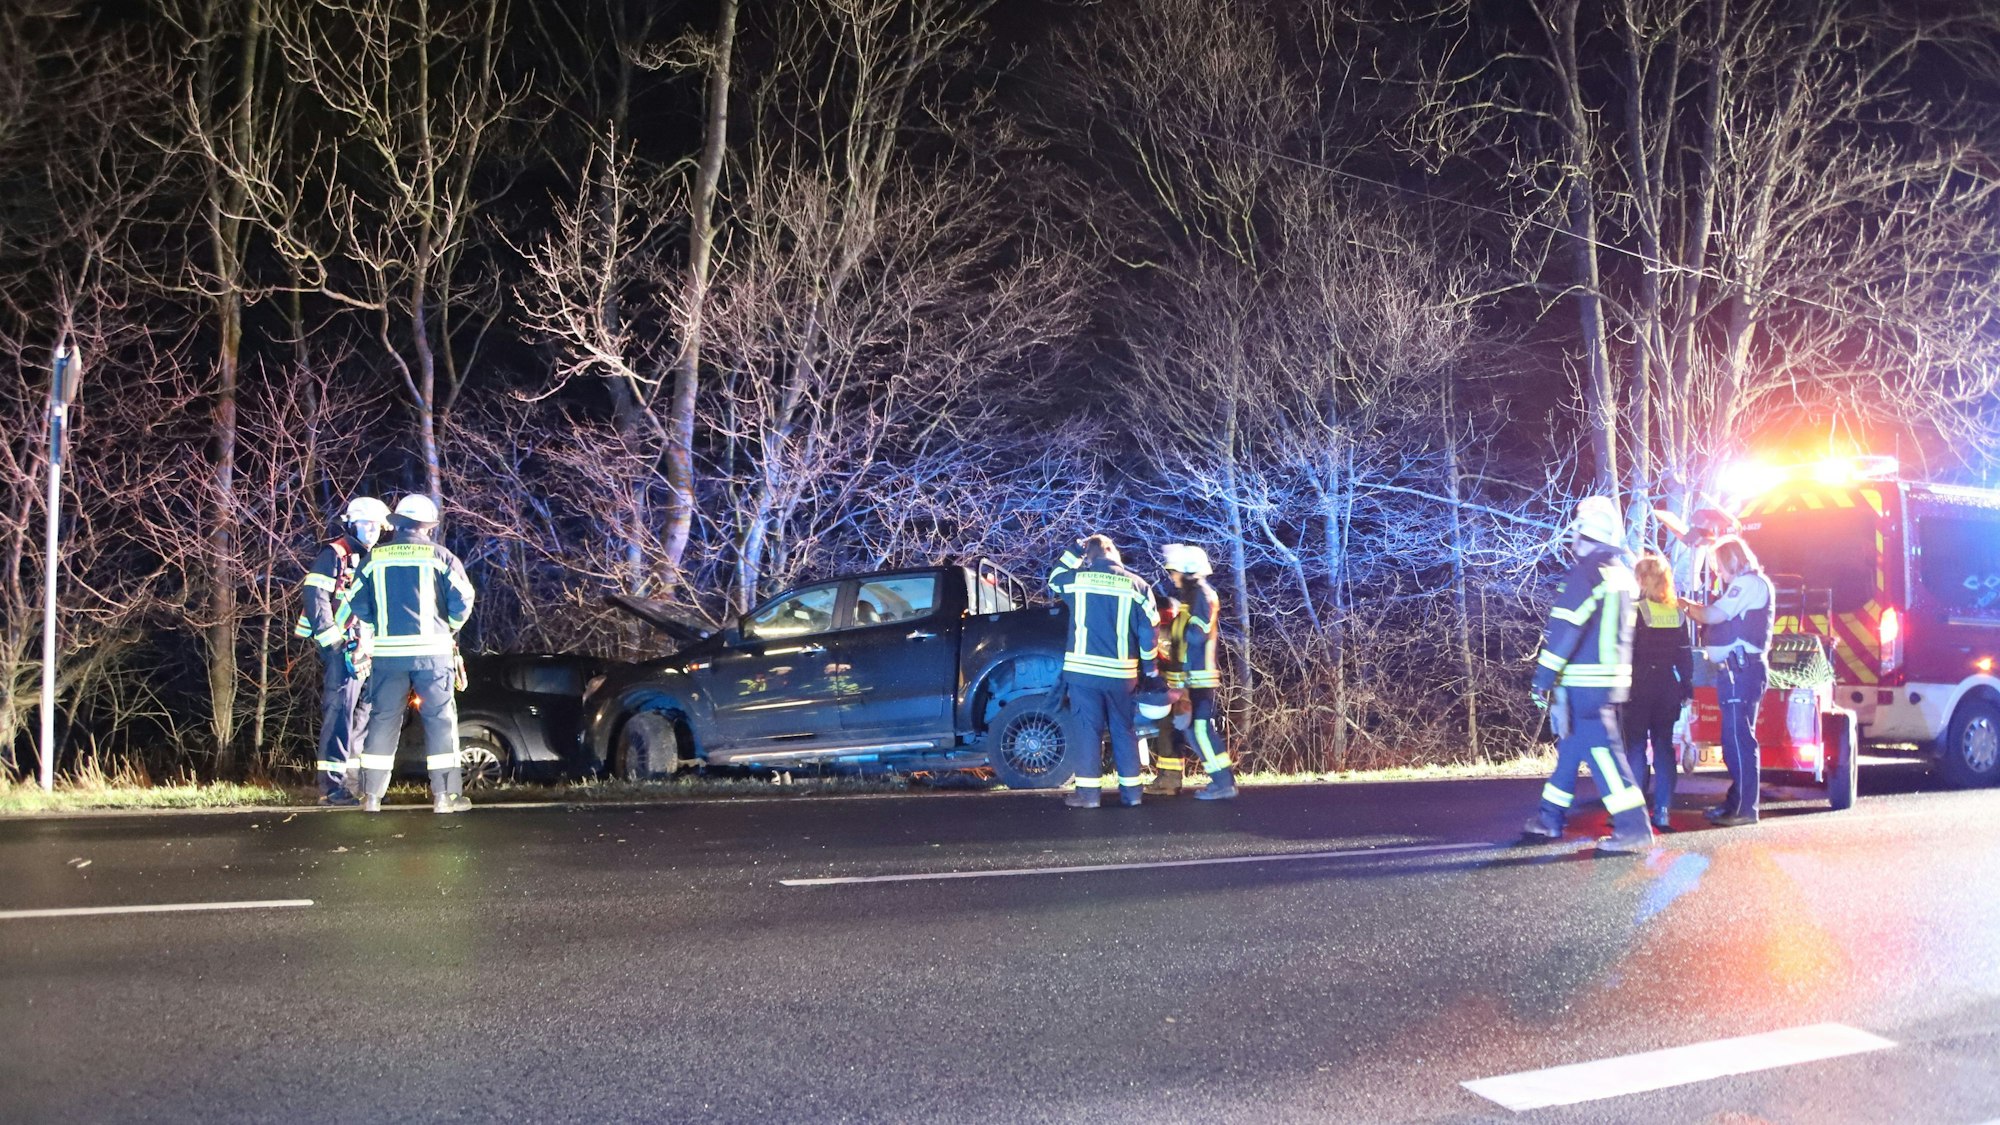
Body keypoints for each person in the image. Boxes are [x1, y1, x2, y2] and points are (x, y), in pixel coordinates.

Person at [1524, 495, 1654, 854]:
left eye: (1575, 536)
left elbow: (1566, 628)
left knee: (1604, 755)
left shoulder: (1587, 573)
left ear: (1582, 535)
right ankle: (1549, 818)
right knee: (1570, 750)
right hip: (1608, 681)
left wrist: (1543, 678)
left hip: (1584, 683)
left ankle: (1633, 827)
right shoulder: (1621, 573)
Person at [334, 494, 476, 814]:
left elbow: (355, 599)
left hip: (388, 657)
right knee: (440, 722)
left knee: (382, 720)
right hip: (433, 656)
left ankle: (372, 797)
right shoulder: (441, 557)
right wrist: (449, 626)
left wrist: (379, 623)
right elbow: (464, 599)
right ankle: (445, 797)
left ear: (397, 524)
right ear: (427, 527)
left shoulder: (375, 558)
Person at [1047, 534, 1161, 808]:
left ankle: (1088, 796)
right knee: (1124, 730)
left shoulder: (1078, 580)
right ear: (1113, 552)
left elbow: (1054, 579)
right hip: (1122, 676)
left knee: (1088, 732)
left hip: (1083, 675)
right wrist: (1150, 668)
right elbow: (1149, 632)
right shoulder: (1138, 586)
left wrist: (1074, 551)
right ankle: (1132, 795)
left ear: (1090, 557)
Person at [293, 496, 389, 807]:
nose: (372, 530)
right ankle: (332, 787)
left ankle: (355, 785)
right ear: (352, 524)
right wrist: (333, 642)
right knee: (340, 715)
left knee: (363, 717)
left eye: (377, 525)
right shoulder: (334, 554)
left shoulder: (376, 558)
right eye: (366, 524)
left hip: (369, 649)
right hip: (343, 649)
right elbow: (316, 597)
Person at [1684, 535, 1773, 827]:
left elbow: (1713, 615)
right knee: (1734, 739)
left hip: (1741, 671)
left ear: (1732, 560)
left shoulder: (1748, 584)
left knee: (1738, 740)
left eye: (1719, 566)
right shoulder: (1748, 584)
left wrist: (1684, 605)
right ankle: (1735, 804)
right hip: (1737, 670)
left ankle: (1746, 810)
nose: (1717, 572)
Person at [1147, 544, 1237, 800]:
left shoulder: (1202, 596)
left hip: (1198, 677)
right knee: (1193, 730)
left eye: (1174, 571)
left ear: (1188, 572)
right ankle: (1222, 781)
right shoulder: (1193, 597)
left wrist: (1177, 638)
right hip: (1191, 676)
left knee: (1200, 730)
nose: (1172, 576)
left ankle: (1223, 783)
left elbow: (1197, 635)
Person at [1623, 552, 1694, 831]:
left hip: (1639, 687)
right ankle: (1663, 811)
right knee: (1663, 746)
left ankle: (1634, 812)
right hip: (1668, 688)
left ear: (1642, 580)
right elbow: (1684, 657)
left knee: (1636, 746)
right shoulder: (1677, 613)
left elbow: (1626, 653)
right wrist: (1686, 687)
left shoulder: (1634, 611)